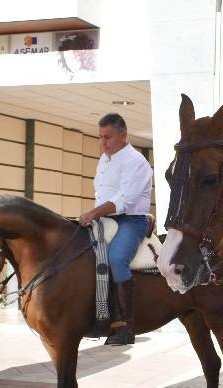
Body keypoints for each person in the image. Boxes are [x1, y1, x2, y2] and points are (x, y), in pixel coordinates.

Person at [79, 113, 153, 345]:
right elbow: (101, 192)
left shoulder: (136, 161)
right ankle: (97, 314)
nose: (103, 142)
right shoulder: (105, 159)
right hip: (105, 218)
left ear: (124, 136)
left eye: (108, 137)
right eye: (101, 137)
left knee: (117, 258)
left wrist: (93, 213)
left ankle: (126, 326)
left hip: (131, 220)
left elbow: (125, 200)